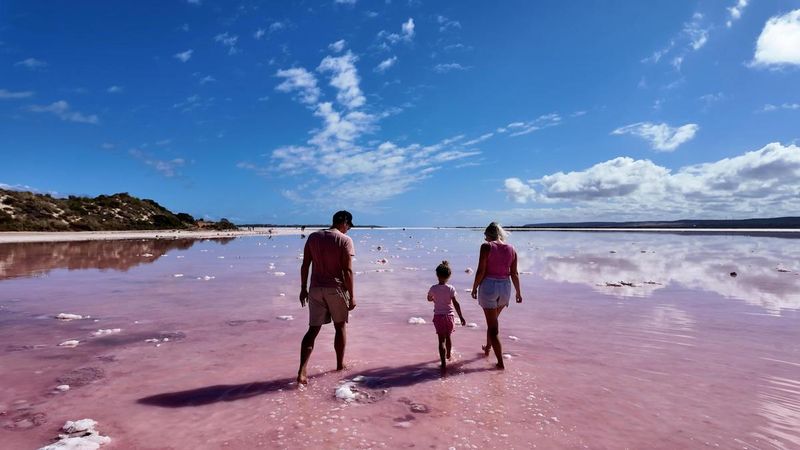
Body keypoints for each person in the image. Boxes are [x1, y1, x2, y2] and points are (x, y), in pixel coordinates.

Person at [296, 210, 356, 384]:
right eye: (349, 226)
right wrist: (352, 296)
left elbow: (305, 264)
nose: (348, 229)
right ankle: (339, 365)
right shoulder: (345, 240)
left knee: (312, 330)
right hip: (335, 289)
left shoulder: (313, 237)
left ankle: (302, 371)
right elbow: (347, 270)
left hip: (315, 289)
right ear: (344, 222)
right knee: (340, 327)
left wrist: (303, 289)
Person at [470, 222, 522, 369]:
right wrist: (518, 292)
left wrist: (474, 287)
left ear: (488, 234)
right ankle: (488, 347)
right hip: (505, 288)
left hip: (489, 287)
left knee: (493, 327)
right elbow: (514, 273)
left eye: (485, 236)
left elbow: (481, 271)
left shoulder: (486, 246)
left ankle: (500, 363)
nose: (485, 238)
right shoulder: (512, 249)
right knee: (493, 322)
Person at [427, 261, 466, 375]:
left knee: (441, 340)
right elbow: (456, 303)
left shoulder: (433, 288)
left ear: (437, 275)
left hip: (438, 316)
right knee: (448, 337)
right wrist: (461, 317)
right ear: (449, 276)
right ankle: (449, 355)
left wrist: (433, 299)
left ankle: (443, 363)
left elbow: (429, 298)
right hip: (449, 316)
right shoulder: (451, 288)